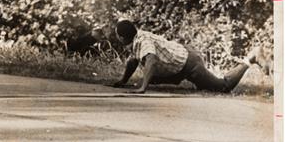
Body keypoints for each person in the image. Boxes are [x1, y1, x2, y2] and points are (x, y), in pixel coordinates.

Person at [113, 20, 268, 94]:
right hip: (184, 56)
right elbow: (133, 60)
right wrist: (123, 81)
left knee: (222, 87)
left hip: (190, 65)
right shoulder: (137, 38)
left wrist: (142, 88)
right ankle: (191, 80)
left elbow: (152, 61)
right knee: (150, 76)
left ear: (121, 38)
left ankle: (251, 57)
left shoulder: (143, 41)